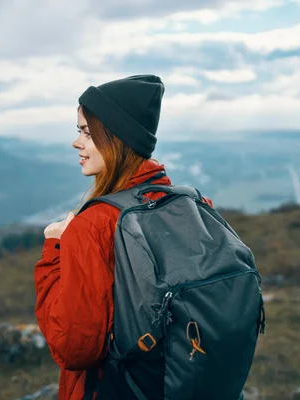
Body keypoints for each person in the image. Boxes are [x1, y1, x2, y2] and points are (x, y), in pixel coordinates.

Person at [34, 75, 213, 400]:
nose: (77, 143)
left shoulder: (95, 224)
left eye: (86, 132)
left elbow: (74, 348)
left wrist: (55, 250)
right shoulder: (189, 205)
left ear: (115, 139)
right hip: (183, 382)